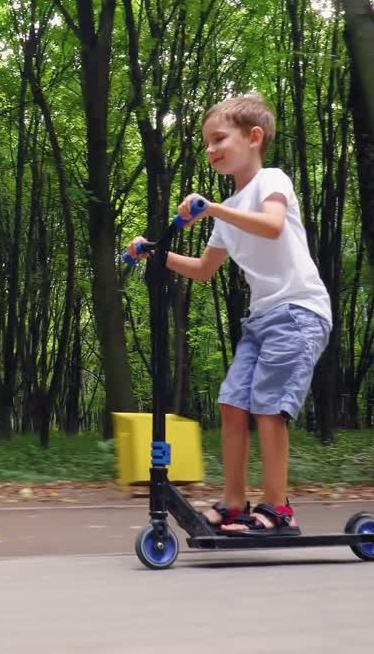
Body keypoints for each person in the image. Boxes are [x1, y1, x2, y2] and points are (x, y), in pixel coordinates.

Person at [126, 93, 331, 535]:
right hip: (261, 319)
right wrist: (155, 253)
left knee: (269, 407)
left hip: (299, 310)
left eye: (219, 138)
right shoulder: (225, 214)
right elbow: (203, 270)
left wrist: (213, 208)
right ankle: (236, 504)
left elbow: (273, 224)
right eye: (206, 144)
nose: (211, 149)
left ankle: (277, 510)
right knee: (232, 403)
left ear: (254, 138)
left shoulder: (271, 181)